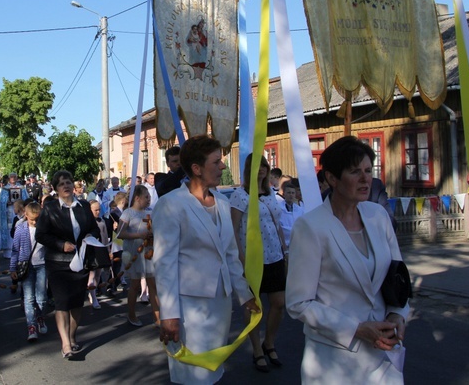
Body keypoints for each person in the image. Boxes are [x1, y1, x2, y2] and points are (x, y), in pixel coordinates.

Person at [286, 136, 409, 384]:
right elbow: (299, 303)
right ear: (332, 178)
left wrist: (398, 315)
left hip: (383, 358)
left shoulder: (377, 216)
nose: (366, 179)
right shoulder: (310, 227)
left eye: (368, 171)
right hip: (334, 361)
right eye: (355, 172)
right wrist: (356, 328)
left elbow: (398, 277)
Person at [153, 135, 258, 384]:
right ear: (197, 169)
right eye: (217, 162)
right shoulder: (171, 205)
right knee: (192, 374)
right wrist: (168, 315)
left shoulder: (222, 202)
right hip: (189, 309)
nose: (223, 166)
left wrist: (245, 296)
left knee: (212, 371)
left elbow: (230, 255)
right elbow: (164, 264)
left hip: (220, 304)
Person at [229, 153, 287, 373]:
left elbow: (278, 224)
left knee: (279, 303)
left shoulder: (271, 193)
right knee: (254, 307)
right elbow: (234, 228)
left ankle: (269, 342)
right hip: (252, 260)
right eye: (256, 166)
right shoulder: (240, 195)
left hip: (275, 256)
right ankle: (257, 350)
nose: (261, 169)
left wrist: (285, 249)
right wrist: (241, 258)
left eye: (263, 165)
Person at [35, 170, 100, 359]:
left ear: (74, 185)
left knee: (77, 304)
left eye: (68, 182)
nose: (66, 186)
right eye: (61, 183)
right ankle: (65, 344)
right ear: (55, 189)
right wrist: (60, 245)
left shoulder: (84, 205)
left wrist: (90, 236)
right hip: (58, 263)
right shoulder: (50, 209)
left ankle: (72, 336)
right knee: (62, 303)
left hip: (80, 261)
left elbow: (94, 228)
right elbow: (41, 235)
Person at [118, 185, 160, 327]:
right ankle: (131, 314)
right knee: (135, 285)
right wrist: (138, 235)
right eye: (146, 197)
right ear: (137, 198)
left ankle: (158, 317)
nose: (149, 200)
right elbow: (120, 233)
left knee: (152, 284)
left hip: (147, 252)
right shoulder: (127, 214)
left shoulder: (149, 213)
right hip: (134, 252)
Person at [10, 201, 48, 342]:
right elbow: (15, 250)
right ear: (26, 215)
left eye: (37, 219)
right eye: (32, 219)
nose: (34, 222)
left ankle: (40, 316)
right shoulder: (20, 229)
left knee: (41, 298)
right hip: (26, 266)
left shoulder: (43, 228)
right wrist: (13, 268)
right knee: (29, 298)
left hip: (42, 265)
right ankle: (31, 326)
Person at [0, 172, 29, 259]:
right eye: (11, 177)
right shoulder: (5, 189)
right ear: (9, 179)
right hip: (9, 212)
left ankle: (20, 249)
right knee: (9, 229)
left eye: (14, 177)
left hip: (19, 212)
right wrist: (7, 202)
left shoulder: (21, 188)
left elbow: (26, 200)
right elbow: (1, 202)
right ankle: (8, 250)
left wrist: (20, 202)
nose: (13, 178)